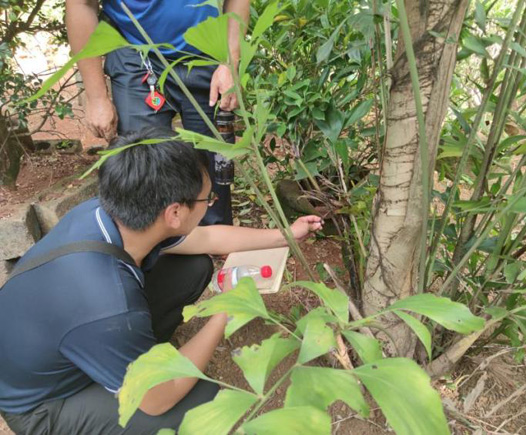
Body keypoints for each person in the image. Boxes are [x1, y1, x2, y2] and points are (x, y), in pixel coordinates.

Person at [0, 127, 323, 434]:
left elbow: (207, 238)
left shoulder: (107, 212)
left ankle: (125, 357)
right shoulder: (109, 306)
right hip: (42, 404)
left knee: (193, 268)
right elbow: (158, 400)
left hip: (65, 342)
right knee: (201, 403)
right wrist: (227, 308)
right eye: (207, 199)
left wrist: (286, 235)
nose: (209, 204)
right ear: (174, 213)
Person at [66, 0, 250, 225]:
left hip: (206, 48)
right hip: (135, 53)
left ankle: (212, 235)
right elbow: (81, 5)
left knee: (213, 166)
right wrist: (96, 97)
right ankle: (156, 242)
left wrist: (230, 62)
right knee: (144, 167)